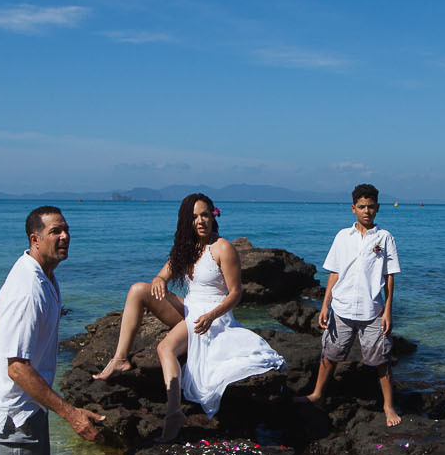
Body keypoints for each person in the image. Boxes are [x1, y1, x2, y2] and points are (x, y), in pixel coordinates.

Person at [92, 193, 283, 441]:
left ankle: (174, 414)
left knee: (165, 348)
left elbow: (236, 293)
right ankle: (120, 359)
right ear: (187, 221)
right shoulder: (187, 248)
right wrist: (159, 281)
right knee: (138, 289)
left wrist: (212, 315)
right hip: (190, 307)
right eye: (194, 217)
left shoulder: (222, 247)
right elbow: (162, 275)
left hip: (213, 315)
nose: (200, 221)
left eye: (204, 214)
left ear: (213, 216)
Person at [0, 206, 105, 455]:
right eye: (55, 232)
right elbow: (17, 368)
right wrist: (71, 413)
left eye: (66, 230)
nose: (65, 237)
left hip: (28, 406)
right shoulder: (26, 289)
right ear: (35, 239)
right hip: (12, 411)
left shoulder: (46, 275)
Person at [304, 182, 402, 426]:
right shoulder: (342, 237)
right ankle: (317, 394)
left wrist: (388, 311)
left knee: (381, 358)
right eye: (361, 207)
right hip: (342, 308)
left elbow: (389, 277)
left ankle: (388, 405)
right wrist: (325, 305)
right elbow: (335, 272)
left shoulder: (384, 238)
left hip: (372, 311)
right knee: (330, 353)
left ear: (377, 208)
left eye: (370, 207)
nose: (366, 211)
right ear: (353, 208)